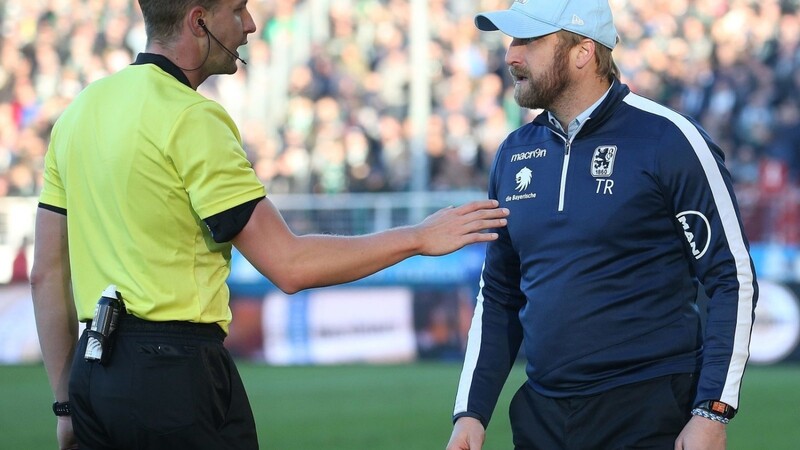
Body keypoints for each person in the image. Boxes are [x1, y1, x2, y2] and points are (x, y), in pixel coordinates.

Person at [29, 1, 509, 449]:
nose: (251, 24)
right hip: (174, 375)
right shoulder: (193, 117)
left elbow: (47, 274)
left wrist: (66, 403)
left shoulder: (78, 113)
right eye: (237, 10)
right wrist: (418, 237)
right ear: (199, 22)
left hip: (93, 375)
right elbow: (289, 264)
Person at [445, 1, 758, 449]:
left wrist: (713, 409)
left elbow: (733, 277)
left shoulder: (670, 140)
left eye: (528, 41)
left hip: (649, 413)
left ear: (583, 51)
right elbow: (499, 293)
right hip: (543, 417)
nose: (511, 56)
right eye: (511, 41)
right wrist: (471, 413)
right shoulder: (513, 153)